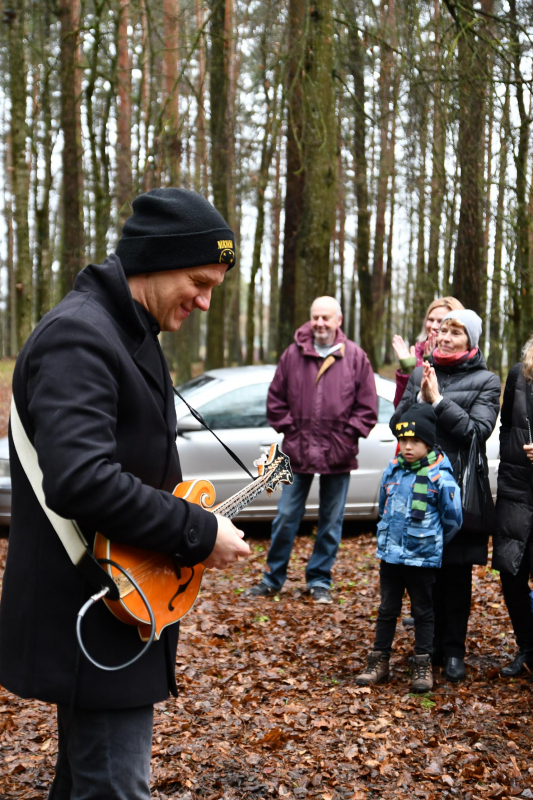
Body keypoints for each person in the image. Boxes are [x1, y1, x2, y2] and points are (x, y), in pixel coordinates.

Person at [0, 188, 250, 800]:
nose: (205, 300)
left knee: (89, 783)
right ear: (153, 259)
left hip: (122, 600)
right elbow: (81, 477)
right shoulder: (80, 336)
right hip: (92, 607)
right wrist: (196, 531)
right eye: (198, 280)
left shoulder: (122, 330)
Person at [391, 309, 500, 682]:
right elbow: (398, 425)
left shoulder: (488, 380)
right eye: (442, 330)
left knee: (456, 576)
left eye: (456, 332)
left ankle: (454, 650)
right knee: (426, 575)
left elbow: (476, 432)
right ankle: (430, 646)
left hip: (459, 493)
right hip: (420, 490)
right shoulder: (422, 372)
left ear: (472, 340)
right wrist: (420, 401)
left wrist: (437, 402)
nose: (445, 336)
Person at [248, 296, 378, 604]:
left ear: (338, 321)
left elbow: (367, 408)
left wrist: (347, 437)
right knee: (285, 517)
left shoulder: (356, 357)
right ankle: (273, 578)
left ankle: (319, 580)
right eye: (315, 317)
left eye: (326, 318)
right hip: (298, 452)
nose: (319, 323)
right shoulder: (292, 355)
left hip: (338, 454)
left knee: (331, 522)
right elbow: (275, 401)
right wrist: (291, 430)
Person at [355, 404, 462, 692]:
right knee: (387, 609)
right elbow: (383, 507)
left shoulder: (440, 476)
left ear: (429, 443)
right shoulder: (392, 470)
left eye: (415, 441)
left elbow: (452, 519)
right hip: (391, 557)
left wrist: (431, 542)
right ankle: (379, 662)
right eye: (403, 441)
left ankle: (422, 664)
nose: (408, 447)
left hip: (421, 559)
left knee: (423, 612)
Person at [492, 338, 533, 677]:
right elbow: (506, 426)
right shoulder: (519, 374)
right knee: (511, 573)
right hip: (516, 488)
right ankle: (527, 647)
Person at [392, 297, 464, 408]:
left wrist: (432, 364)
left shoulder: (465, 359)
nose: (433, 326)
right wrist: (408, 372)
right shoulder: (416, 353)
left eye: (441, 321)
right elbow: (399, 409)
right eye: (430, 320)